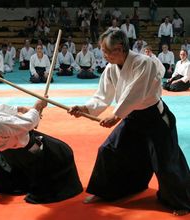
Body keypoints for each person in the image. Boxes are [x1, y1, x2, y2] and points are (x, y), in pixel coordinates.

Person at [68, 29, 190, 216]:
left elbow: (135, 93)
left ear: (119, 48)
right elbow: (102, 95)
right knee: (109, 150)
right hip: (132, 118)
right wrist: (84, 109)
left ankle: (181, 201)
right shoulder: (111, 68)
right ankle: (106, 191)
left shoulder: (144, 63)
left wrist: (116, 116)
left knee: (165, 161)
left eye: (106, 51)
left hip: (154, 119)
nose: (103, 55)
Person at [0, 88, 83, 204]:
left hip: (7, 152)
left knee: (2, 159)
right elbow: (28, 123)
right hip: (29, 149)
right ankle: (42, 190)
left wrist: (20, 109)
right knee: (61, 152)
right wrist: (38, 107)